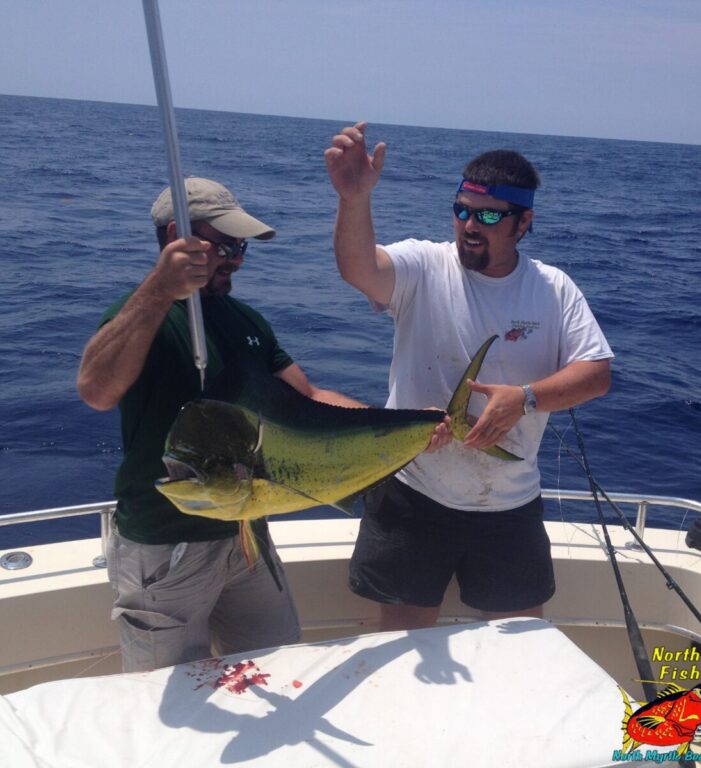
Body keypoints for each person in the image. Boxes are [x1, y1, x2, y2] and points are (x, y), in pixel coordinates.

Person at [325, 122, 614, 631]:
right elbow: (358, 269)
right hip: (413, 494)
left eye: (487, 215)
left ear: (523, 223)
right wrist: (354, 200)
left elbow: (595, 374)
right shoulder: (424, 266)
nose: (469, 225)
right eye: (461, 210)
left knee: (521, 650)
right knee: (399, 647)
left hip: (508, 504)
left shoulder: (554, 289)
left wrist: (524, 399)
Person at [77, 177, 364, 672]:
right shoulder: (142, 315)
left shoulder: (247, 322)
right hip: (167, 545)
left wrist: (419, 425)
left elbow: (312, 397)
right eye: (223, 246)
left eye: (240, 248)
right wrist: (161, 289)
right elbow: (96, 391)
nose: (234, 260)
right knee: (162, 693)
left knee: (275, 669)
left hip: (247, 532)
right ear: (174, 238)